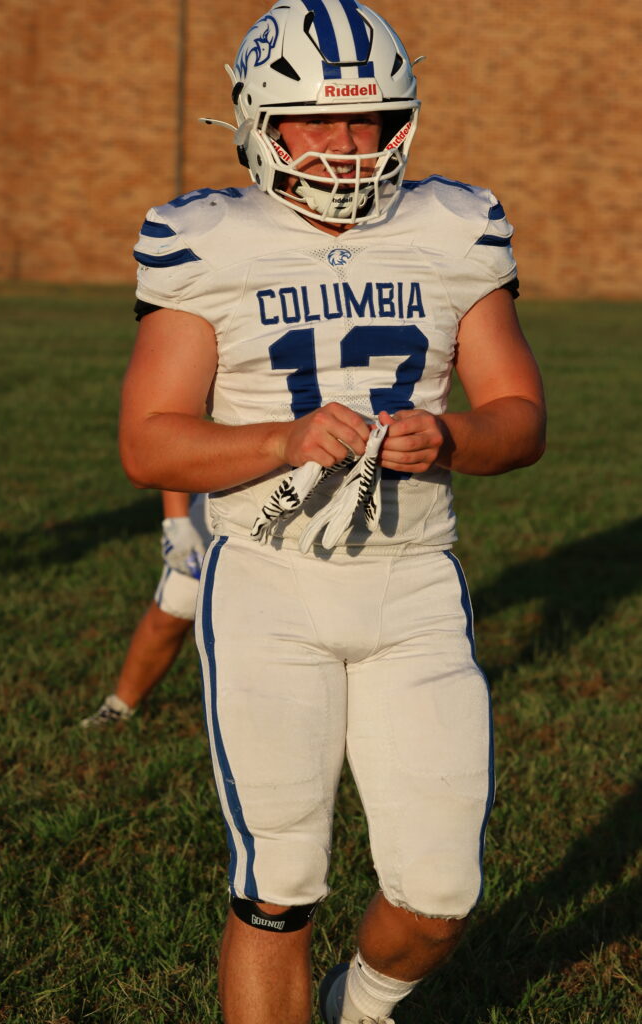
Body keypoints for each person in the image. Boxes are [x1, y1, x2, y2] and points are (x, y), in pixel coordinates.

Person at [118, 1, 546, 1021]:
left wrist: (451, 435)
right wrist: (278, 439)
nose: (347, 145)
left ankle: (356, 1008)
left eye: (369, 119)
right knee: (279, 884)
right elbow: (149, 442)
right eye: (316, 119)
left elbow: (520, 418)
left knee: (439, 897)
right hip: (268, 582)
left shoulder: (453, 227)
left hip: (412, 580)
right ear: (258, 121)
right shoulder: (205, 239)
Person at [81, 491, 211, 726]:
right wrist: (177, 521)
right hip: (222, 504)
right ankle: (121, 705)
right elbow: (174, 464)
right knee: (175, 608)